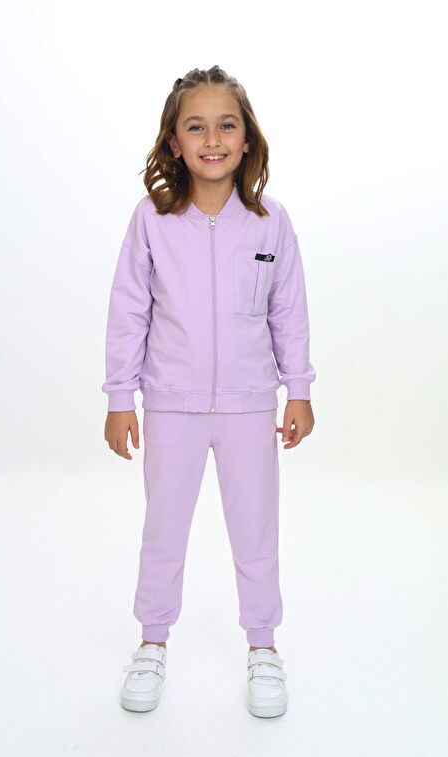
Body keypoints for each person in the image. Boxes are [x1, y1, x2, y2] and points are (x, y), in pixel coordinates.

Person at [102, 65, 316, 717]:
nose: (213, 139)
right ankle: (151, 641)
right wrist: (119, 398)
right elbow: (129, 309)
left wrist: (298, 389)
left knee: (255, 532)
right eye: (196, 127)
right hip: (171, 403)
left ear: (247, 139)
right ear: (174, 141)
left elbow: (288, 311)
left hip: (250, 406)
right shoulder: (152, 220)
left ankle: (263, 646)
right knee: (163, 530)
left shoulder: (270, 222)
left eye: (227, 125)